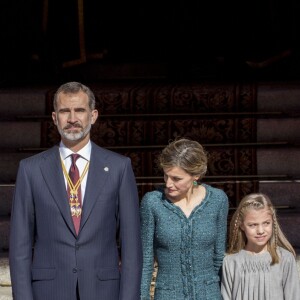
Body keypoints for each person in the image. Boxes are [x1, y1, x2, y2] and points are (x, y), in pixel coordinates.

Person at [9, 81, 142, 300]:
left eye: (80, 110)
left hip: (103, 292)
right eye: (64, 111)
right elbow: (19, 247)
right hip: (49, 292)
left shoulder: (119, 168)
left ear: (93, 115)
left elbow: (132, 248)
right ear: (54, 118)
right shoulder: (31, 170)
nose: (72, 119)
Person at [140, 138, 229, 300]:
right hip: (168, 294)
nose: (168, 183)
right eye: (166, 176)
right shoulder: (152, 202)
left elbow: (219, 256)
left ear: (196, 175)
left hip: (209, 294)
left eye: (176, 179)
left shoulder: (218, 200)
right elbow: (146, 260)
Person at [221, 193, 300, 300]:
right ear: (241, 225)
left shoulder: (285, 259)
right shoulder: (230, 262)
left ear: (273, 222)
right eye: (253, 225)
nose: (261, 231)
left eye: (266, 223)